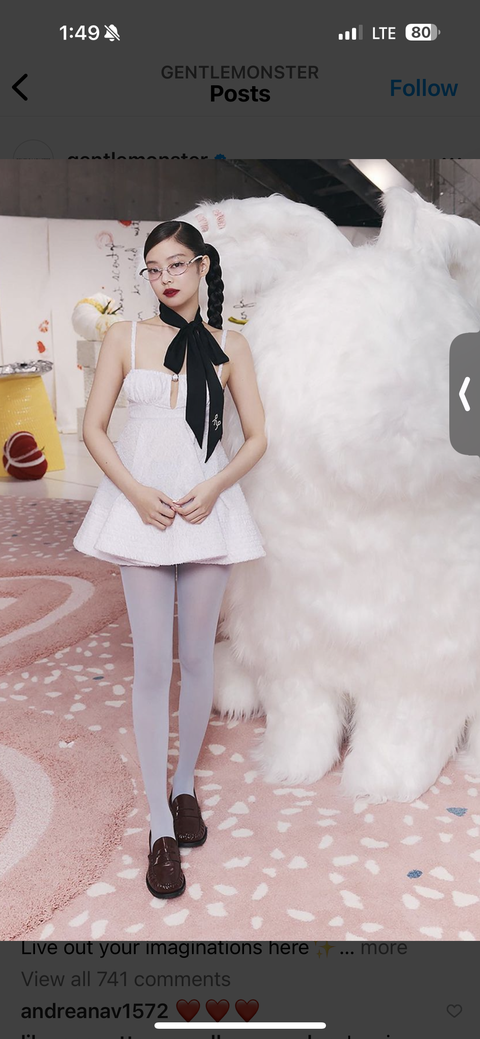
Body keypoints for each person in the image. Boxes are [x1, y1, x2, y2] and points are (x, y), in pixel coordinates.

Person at [73, 219, 267, 898]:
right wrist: (135, 493)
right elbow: (93, 427)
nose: (165, 278)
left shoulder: (230, 345)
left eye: (177, 264)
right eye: (154, 269)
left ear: (203, 266)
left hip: (208, 514)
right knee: (154, 665)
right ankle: (160, 822)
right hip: (143, 515)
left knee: (198, 658)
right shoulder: (124, 338)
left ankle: (185, 786)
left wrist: (215, 488)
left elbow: (256, 437)